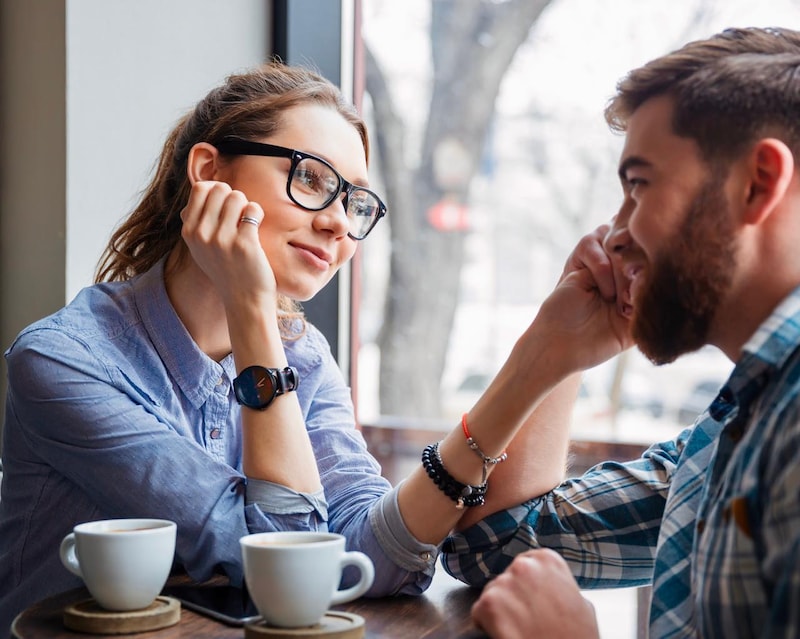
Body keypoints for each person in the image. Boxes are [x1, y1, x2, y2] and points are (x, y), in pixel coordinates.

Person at [0, 61, 577, 634]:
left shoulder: (303, 355)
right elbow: (279, 559)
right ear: (208, 172)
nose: (337, 225)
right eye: (311, 179)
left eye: (355, 204)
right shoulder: (63, 361)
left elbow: (376, 554)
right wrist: (251, 309)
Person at [439, 27, 800, 638]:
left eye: (639, 185)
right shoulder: (730, 430)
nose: (614, 234)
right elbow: (496, 544)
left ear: (758, 183)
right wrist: (554, 353)